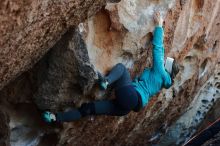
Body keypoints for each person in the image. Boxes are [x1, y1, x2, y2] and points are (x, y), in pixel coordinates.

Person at [42, 12, 179, 123]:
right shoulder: (162, 82)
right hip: (127, 107)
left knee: (121, 69)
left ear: (168, 68)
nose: (165, 61)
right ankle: (55, 118)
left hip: (131, 96)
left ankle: (106, 81)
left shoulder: (161, 72)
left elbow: (158, 49)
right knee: (88, 109)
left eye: (167, 62)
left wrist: (159, 25)